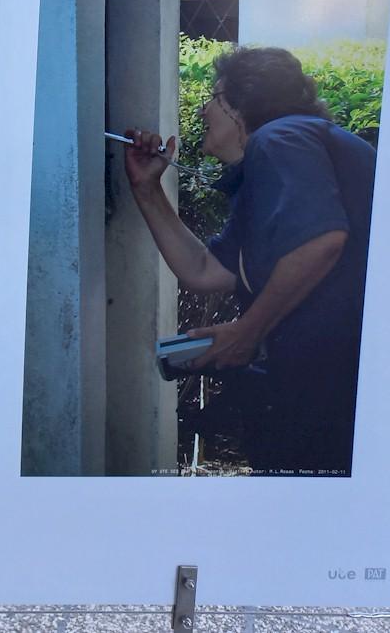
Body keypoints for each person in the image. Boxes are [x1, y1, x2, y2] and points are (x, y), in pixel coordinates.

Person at [122, 46, 375, 475]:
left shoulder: (278, 137)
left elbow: (322, 240)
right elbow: (203, 270)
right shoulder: (283, 159)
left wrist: (246, 332)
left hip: (339, 394)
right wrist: (147, 189)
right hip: (334, 390)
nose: (203, 111)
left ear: (243, 104)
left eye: (213, 97)